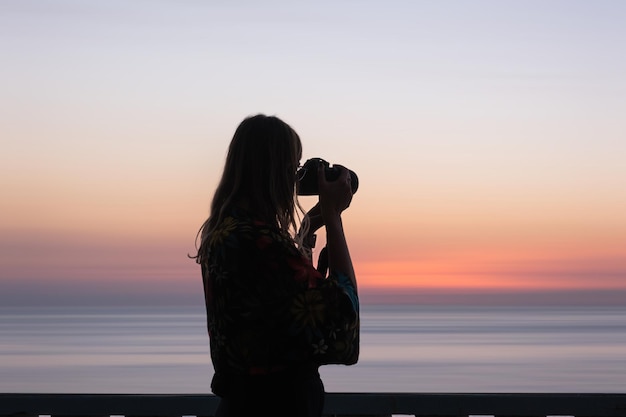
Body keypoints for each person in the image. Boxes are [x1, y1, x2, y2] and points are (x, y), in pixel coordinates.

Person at [193, 114, 359, 417]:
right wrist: (333, 216)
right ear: (272, 171)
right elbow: (342, 320)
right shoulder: (259, 240)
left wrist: (308, 233)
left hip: (241, 404)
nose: (296, 180)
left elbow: (280, 300)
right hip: (275, 408)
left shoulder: (227, 233)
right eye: (294, 168)